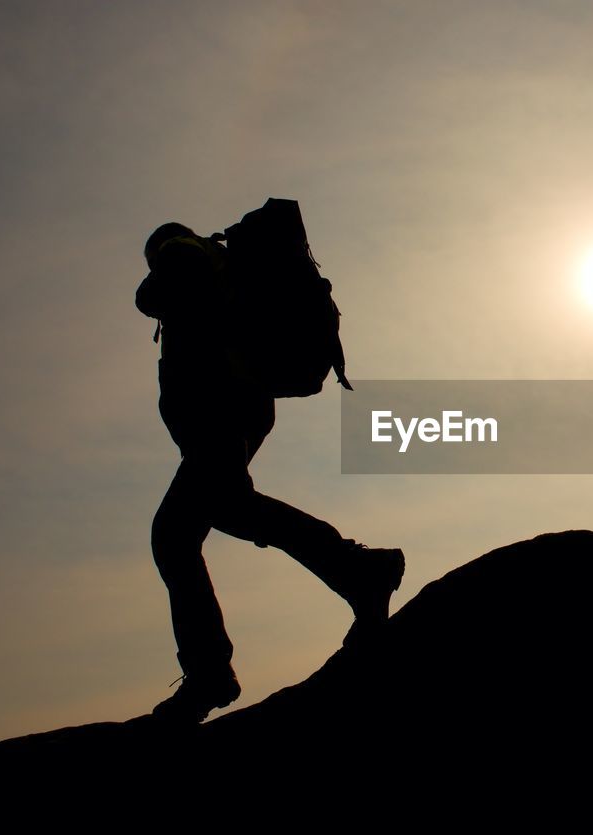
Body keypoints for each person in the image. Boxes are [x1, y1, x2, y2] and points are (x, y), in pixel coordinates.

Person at [136, 222, 404, 725]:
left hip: (220, 409)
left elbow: (153, 294)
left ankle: (211, 671)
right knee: (221, 515)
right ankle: (360, 572)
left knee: (175, 534)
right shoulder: (219, 269)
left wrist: (156, 278)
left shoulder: (181, 251)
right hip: (238, 407)